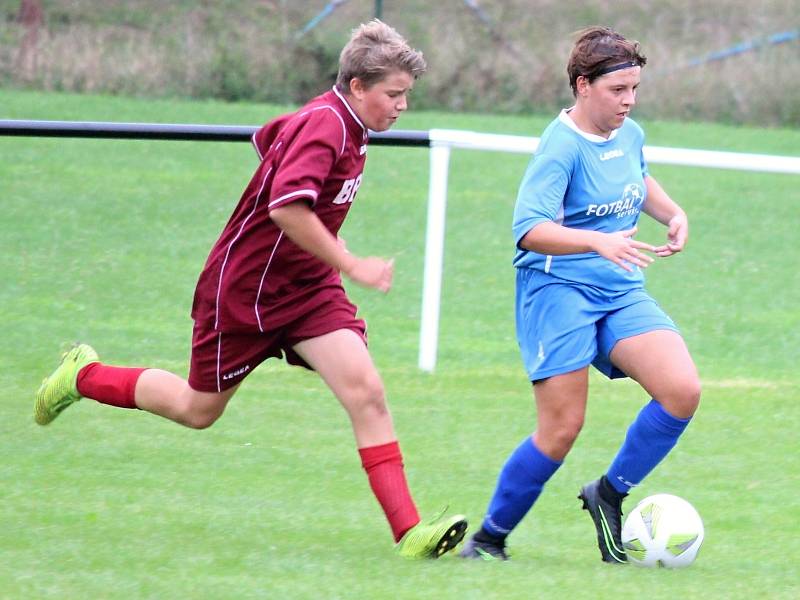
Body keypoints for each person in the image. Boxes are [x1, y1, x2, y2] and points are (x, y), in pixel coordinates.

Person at [34, 19, 467, 559]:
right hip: (244, 295)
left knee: (366, 391)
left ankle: (410, 534)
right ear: (358, 86)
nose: (402, 106)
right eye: (394, 95)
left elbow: (268, 136)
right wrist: (351, 261)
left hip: (307, 292)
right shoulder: (327, 126)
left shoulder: (339, 122)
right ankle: (84, 375)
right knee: (198, 410)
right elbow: (286, 207)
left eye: (406, 95)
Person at [459, 26, 700, 562]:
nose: (629, 101)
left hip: (618, 288)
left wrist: (673, 213)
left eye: (635, 89)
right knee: (562, 429)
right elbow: (528, 229)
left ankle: (608, 495)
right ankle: (489, 539)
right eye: (618, 91)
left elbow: (638, 177)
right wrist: (597, 242)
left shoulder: (628, 133)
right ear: (582, 85)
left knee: (681, 390)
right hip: (557, 289)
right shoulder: (560, 146)